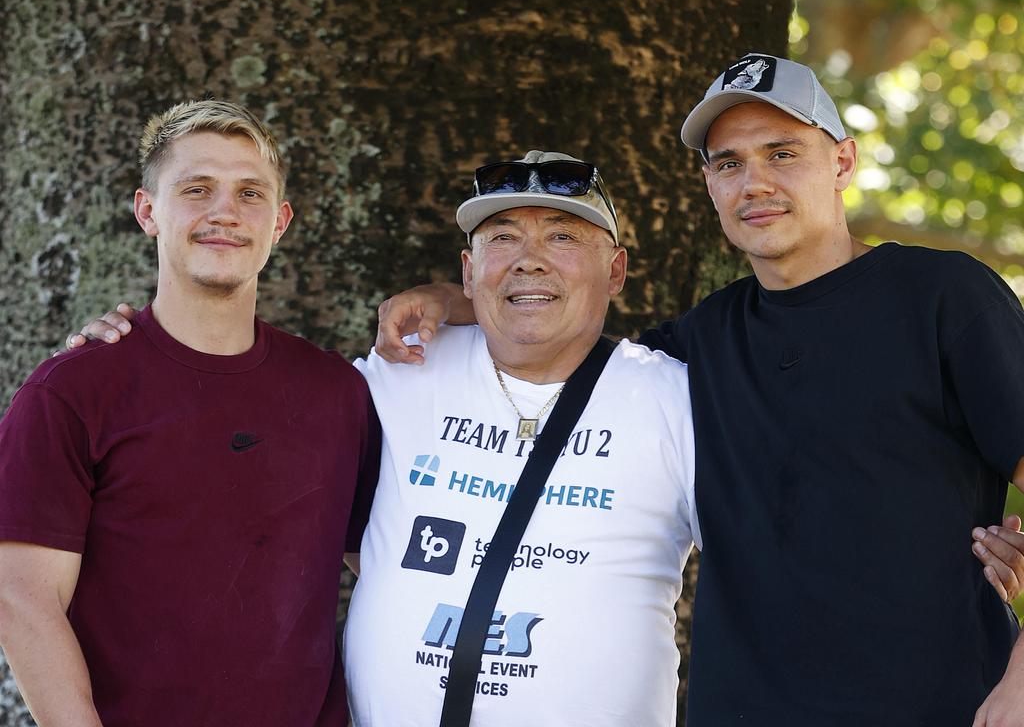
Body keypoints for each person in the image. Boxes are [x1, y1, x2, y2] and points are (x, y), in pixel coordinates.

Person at [70, 146, 1024, 727]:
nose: (529, 256)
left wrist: (973, 548)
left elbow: (825, 510)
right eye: (502, 237)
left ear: (616, 270)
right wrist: (127, 351)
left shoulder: (680, 393)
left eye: (562, 235)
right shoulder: (390, 375)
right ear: (466, 267)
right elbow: (229, 432)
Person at [371, 55, 1024, 726]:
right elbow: (559, 330)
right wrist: (452, 297)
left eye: (782, 153)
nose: (755, 182)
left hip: (945, 706)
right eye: (728, 162)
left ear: (843, 163)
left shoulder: (943, 297)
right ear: (708, 182)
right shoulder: (699, 343)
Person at [0, 100, 380, 727]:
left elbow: (391, 568)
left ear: (280, 221)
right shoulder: (73, 391)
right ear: (148, 211)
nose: (225, 212)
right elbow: (23, 599)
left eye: (250, 193)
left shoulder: (337, 392)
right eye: (197, 189)